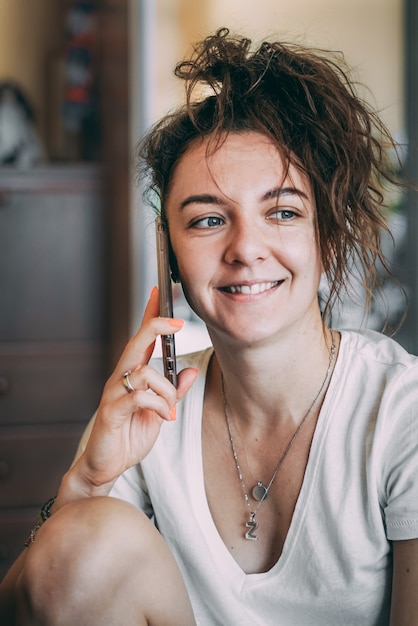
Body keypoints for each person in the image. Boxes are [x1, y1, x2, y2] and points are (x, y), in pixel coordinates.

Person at [1, 27, 417, 626]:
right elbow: (30, 602)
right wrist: (85, 483)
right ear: (169, 253)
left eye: (282, 212)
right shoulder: (150, 412)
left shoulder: (403, 413)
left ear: (324, 237)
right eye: (207, 220)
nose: (247, 248)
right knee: (85, 541)